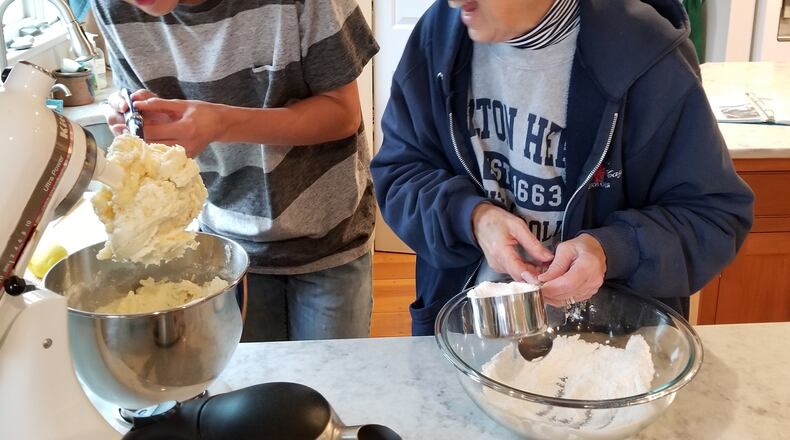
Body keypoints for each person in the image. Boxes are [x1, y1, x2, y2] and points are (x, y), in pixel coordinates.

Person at [371, 0, 754, 336]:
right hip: (465, 335)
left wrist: (609, 249)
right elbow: (399, 173)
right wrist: (473, 218)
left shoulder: (649, 58)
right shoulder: (436, 39)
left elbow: (713, 217)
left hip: (610, 350)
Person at [93, 0, 379, 341]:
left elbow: (342, 114)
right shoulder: (112, 7)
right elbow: (150, 120)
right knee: (249, 388)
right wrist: (133, 118)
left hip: (328, 239)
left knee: (325, 387)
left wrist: (222, 123)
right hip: (224, 247)